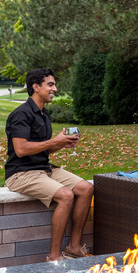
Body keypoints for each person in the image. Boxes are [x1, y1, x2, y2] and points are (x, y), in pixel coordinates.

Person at [5, 68, 94, 262]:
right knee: (66, 195)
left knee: (87, 188)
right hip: (21, 173)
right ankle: (54, 257)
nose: (55, 88)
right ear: (36, 87)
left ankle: (74, 247)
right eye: (50, 84)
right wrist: (55, 141)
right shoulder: (21, 114)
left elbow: (42, 149)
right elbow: (21, 149)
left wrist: (62, 144)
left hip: (44, 169)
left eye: (54, 84)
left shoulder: (43, 114)